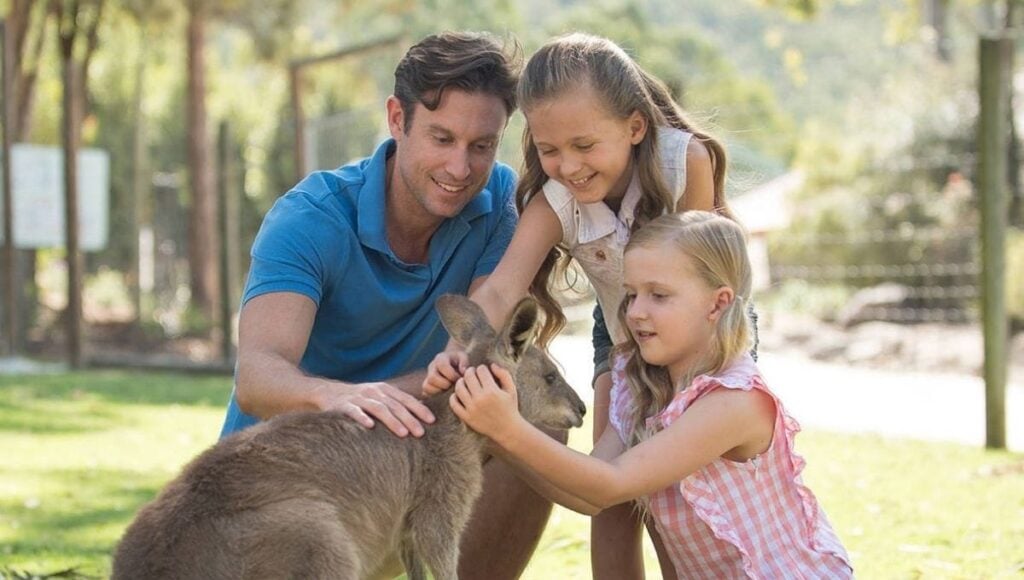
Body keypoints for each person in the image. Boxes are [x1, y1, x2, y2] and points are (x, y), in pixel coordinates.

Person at [218, 31, 555, 579]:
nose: (460, 168)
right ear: (397, 119)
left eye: (481, 145)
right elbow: (257, 378)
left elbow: (484, 357)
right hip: (288, 494)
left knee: (533, 422)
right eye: (441, 138)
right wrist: (342, 396)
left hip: (403, 476)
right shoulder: (311, 217)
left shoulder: (498, 206)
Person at [422, 32, 734, 578]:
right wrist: (460, 351)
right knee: (611, 498)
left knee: (675, 495)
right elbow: (500, 289)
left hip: (704, 336)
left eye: (585, 146)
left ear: (634, 127)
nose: (568, 165)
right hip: (620, 335)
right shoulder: (557, 200)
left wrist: (664, 399)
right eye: (549, 150)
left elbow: (696, 285)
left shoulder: (687, 163)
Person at [451, 211, 855, 579]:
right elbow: (589, 494)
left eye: (658, 295)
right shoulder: (638, 382)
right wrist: (496, 439)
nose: (636, 312)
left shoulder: (734, 402)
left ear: (717, 304)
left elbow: (610, 483)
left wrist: (508, 429)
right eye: (631, 294)